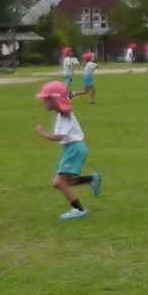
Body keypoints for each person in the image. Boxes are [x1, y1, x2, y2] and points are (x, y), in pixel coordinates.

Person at [35, 80, 103, 220]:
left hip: (74, 148)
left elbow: (59, 137)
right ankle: (91, 179)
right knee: (58, 183)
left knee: (61, 182)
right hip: (72, 148)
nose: (44, 103)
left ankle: (79, 210)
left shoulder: (64, 116)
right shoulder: (62, 114)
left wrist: (43, 133)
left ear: (55, 100)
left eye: (46, 99)